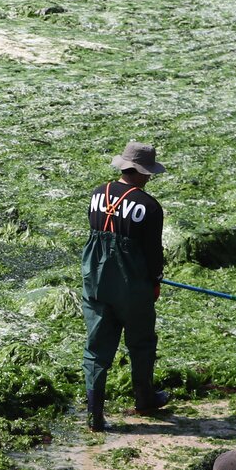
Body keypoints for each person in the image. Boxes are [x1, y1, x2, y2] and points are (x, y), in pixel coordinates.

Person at [81, 140, 169, 431]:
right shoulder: (149, 206)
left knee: (96, 350)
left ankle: (94, 415)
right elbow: (153, 254)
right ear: (141, 172)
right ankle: (145, 399)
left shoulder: (97, 194)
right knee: (141, 343)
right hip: (132, 287)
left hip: (95, 282)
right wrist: (155, 281)